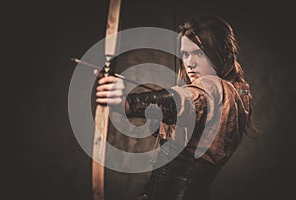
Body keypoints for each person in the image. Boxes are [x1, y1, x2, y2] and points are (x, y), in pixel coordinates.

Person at [94, 15, 256, 200]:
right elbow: (184, 112)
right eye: (185, 54)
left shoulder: (214, 87)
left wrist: (129, 103)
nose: (189, 63)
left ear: (221, 52)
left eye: (199, 53)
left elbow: (185, 101)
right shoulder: (236, 93)